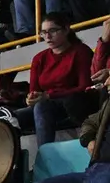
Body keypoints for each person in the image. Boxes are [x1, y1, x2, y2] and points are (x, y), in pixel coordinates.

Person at [14, 12, 97, 147]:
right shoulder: (39, 58)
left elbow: (85, 87)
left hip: (73, 104)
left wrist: (49, 95)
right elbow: (34, 91)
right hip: (45, 103)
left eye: (52, 31)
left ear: (66, 29)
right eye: (43, 32)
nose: (47, 36)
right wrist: (31, 98)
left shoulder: (81, 51)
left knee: (42, 107)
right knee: (11, 118)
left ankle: (44, 154)